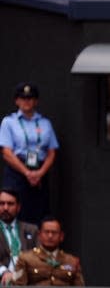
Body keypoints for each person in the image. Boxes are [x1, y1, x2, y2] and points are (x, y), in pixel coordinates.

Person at [0, 82, 59, 224]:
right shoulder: (9, 122)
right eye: (23, 98)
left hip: (39, 172)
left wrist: (39, 173)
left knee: (39, 211)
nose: (26, 101)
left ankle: (36, 245)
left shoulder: (45, 123)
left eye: (30, 98)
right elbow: (6, 152)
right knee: (13, 208)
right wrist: (26, 172)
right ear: (17, 101)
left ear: (36, 101)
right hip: (17, 171)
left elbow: (52, 152)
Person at [12, 216, 84, 286]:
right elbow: (17, 287)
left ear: (61, 236)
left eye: (54, 232)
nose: (50, 236)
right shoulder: (25, 259)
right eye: (46, 232)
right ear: (39, 235)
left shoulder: (72, 261)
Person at [0, 188, 38, 286]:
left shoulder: (31, 230)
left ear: (18, 207)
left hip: (28, 279)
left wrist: (20, 275)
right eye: (2, 203)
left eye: (10, 204)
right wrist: (4, 271)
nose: (5, 208)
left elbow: (39, 256)